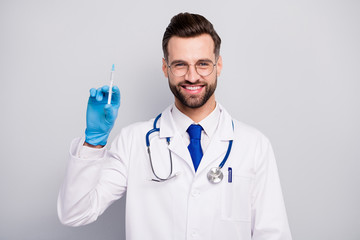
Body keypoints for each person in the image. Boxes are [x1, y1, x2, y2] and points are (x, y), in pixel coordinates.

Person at [58, 12, 292, 240]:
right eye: (180, 65)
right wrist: (93, 142)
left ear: (218, 65)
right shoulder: (134, 141)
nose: (192, 76)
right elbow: (75, 213)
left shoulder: (254, 145)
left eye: (202, 64)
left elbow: (273, 234)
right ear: (165, 67)